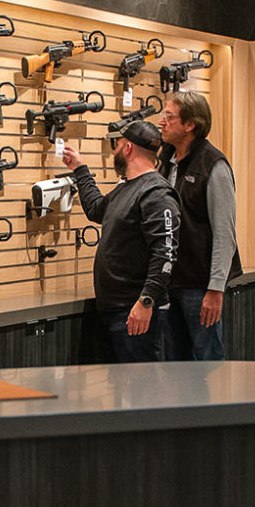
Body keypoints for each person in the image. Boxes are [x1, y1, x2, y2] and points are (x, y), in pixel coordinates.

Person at [61, 120, 180, 363]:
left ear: (128, 148)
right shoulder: (127, 188)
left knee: (141, 388)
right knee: (124, 389)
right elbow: (96, 209)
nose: (114, 151)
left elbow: (165, 254)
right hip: (116, 309)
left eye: (116, 145)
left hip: (136, 311)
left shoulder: (156, 193)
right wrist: (80, 168)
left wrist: (146, 301)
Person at [157, 92, 242, 361]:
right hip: (170, 283)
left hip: (200, 286)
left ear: (190, 124)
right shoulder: (166, 161)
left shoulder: (213, 165)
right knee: (174, 366)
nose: (162, 122)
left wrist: (215, 289)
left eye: (169, 117)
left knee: (208, 363)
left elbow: (224, 234)